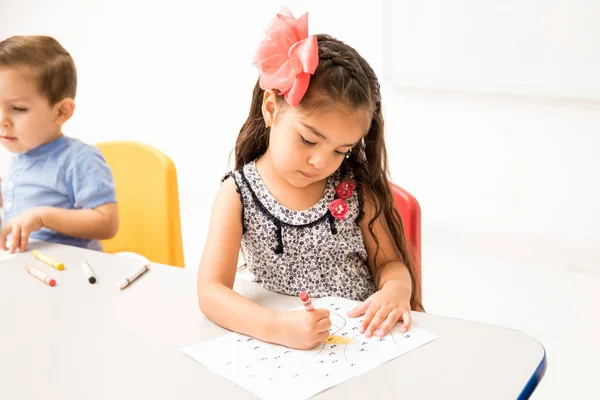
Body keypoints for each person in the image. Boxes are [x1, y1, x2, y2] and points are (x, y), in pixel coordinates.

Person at [197, 8, 422, 350]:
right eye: (309, 140)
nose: (321, 161)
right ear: (271, 109)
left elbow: (390, 264)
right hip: (282, 349)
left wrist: (395, 289)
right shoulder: (237, 194)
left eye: (340, 151)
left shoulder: (355, 190)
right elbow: (212, 292)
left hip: (361, 344)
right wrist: (275, 326)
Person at [0, 35, 118, 253]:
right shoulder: (21, 155)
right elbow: (25, 193)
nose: (2, 120)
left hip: (69, 272)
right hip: (27, 265)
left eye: (18, 108)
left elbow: (107, 222)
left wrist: (42, 217)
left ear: (61, 112)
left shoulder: (78, 159)